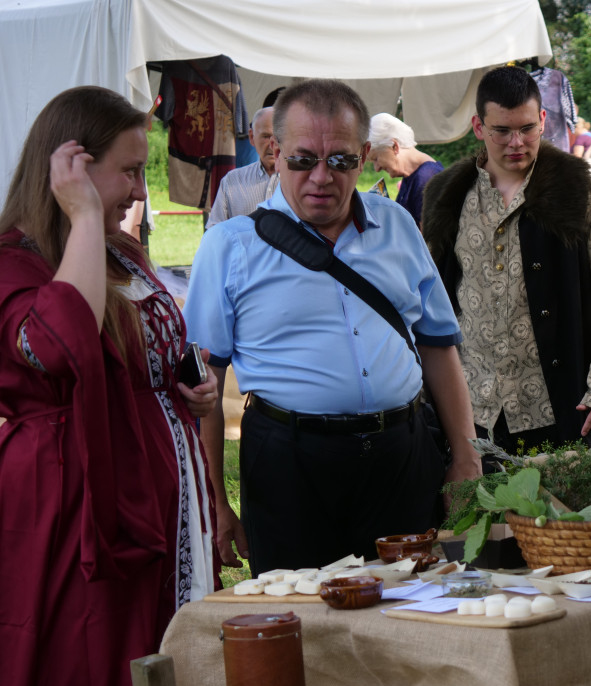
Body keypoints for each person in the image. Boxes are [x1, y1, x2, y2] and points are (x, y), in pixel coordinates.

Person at [0, 86, 219, 686]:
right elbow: (56, 345)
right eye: (125, 171)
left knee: (162, 657)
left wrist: (195, 390)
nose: (137, 188)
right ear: (71, 165)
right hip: (71, 501)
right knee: (92, 664)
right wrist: (84, 219)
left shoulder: (127, 253)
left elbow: (158, 353)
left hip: (164, 493)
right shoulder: (14, 262)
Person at [184, 79, 481, 576]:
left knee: (411, 615)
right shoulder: (230, 247)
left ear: (364, 155)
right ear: (275, 153)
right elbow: (203, 386)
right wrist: (216, 498)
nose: (321, 177)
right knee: (305, 626)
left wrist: (466, 455)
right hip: (289, 467)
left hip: (402, 458)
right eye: (303, 160)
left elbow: (437, 346)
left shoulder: (399, 226)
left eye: (340, 160)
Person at [421, 66, 591, 454]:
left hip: (565, 403)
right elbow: (428, 301)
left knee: (572, 513)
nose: (516, 142)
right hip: (474, 410)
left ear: (543, 120)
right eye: (502, 130)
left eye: (527, 128)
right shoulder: (447, 197)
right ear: (478, 127)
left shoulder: (578, 190)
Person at [206, 107, 278, 229]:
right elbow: (215, 231)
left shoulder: (301, 179)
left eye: (278, 137)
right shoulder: (232, 181)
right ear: (251, 137)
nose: (272, 145)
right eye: (266, 136)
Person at [366, 113, 443, 227]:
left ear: (394, 146)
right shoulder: (411, 176)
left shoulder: (427, 178)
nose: (377, 169)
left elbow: (426, 242)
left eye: (376, 159)